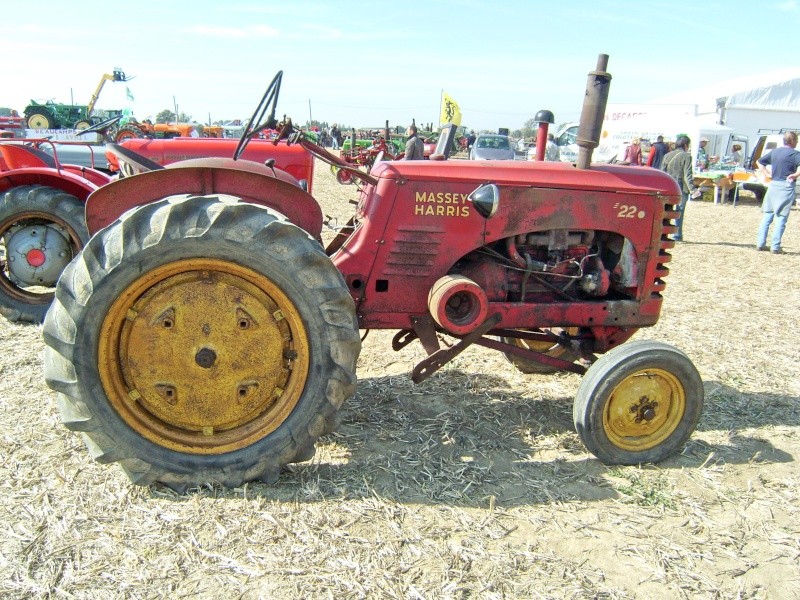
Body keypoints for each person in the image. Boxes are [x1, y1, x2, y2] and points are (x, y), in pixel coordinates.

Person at [755, 131, 800, 254]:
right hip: (786, 185)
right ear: (792, 141)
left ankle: (760, 243)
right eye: (796, 140)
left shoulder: (775, 152)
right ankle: (775, 246)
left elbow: (759, 162)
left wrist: (766, 174)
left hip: (773, 185)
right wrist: (795, 175)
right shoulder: (795, 154)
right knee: (781, 217)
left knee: (768, 215)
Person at [661, 135, 700, 242]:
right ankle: (677, 235)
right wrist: (693, 189)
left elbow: (662, 172)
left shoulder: (667, 155)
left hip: (667, 186)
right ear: (686, 145)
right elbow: (688, 175)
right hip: (680, 186)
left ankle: (663, 233)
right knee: (679, 211)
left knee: (666, 211)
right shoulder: (686, 156)